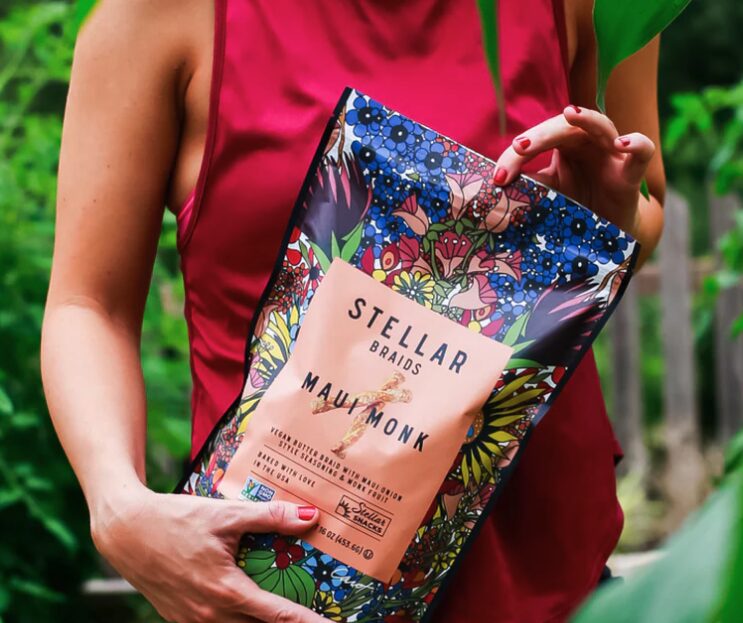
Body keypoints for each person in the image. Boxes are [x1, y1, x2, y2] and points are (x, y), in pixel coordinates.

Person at [41, 0, 665, 621]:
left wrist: (605, 219)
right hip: (283, 582)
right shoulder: (156, 14)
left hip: (547, 577)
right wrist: (118, 507)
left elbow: (644, 203)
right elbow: (88, 302)